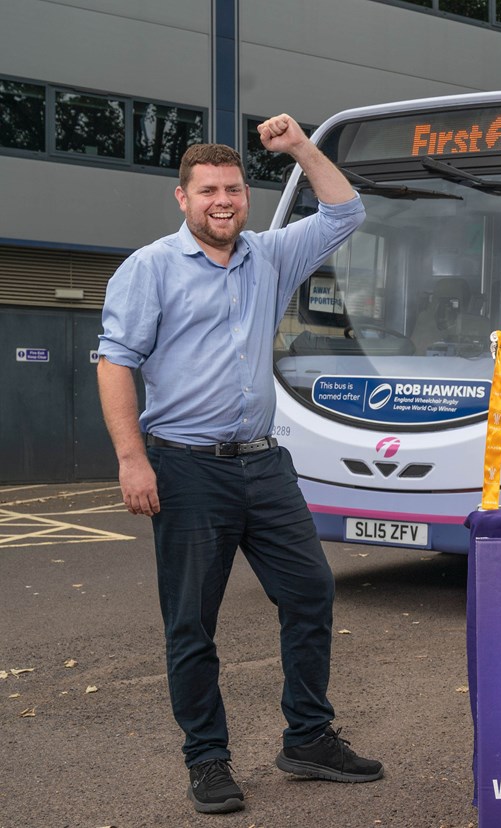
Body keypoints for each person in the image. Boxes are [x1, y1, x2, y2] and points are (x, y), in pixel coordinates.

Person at [97, 115, 383, 815]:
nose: (223, 201)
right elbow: (115, 363)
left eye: (233, 189)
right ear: (183, 198)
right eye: (208, 191)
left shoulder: (270, 255)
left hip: (263, 464)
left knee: (311, 592)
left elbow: (347, 210)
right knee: (192, 622)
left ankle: (308, 738)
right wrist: (132, 459)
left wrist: (299, 148)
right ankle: (208, 759)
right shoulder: (150, 268)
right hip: (184, 466)